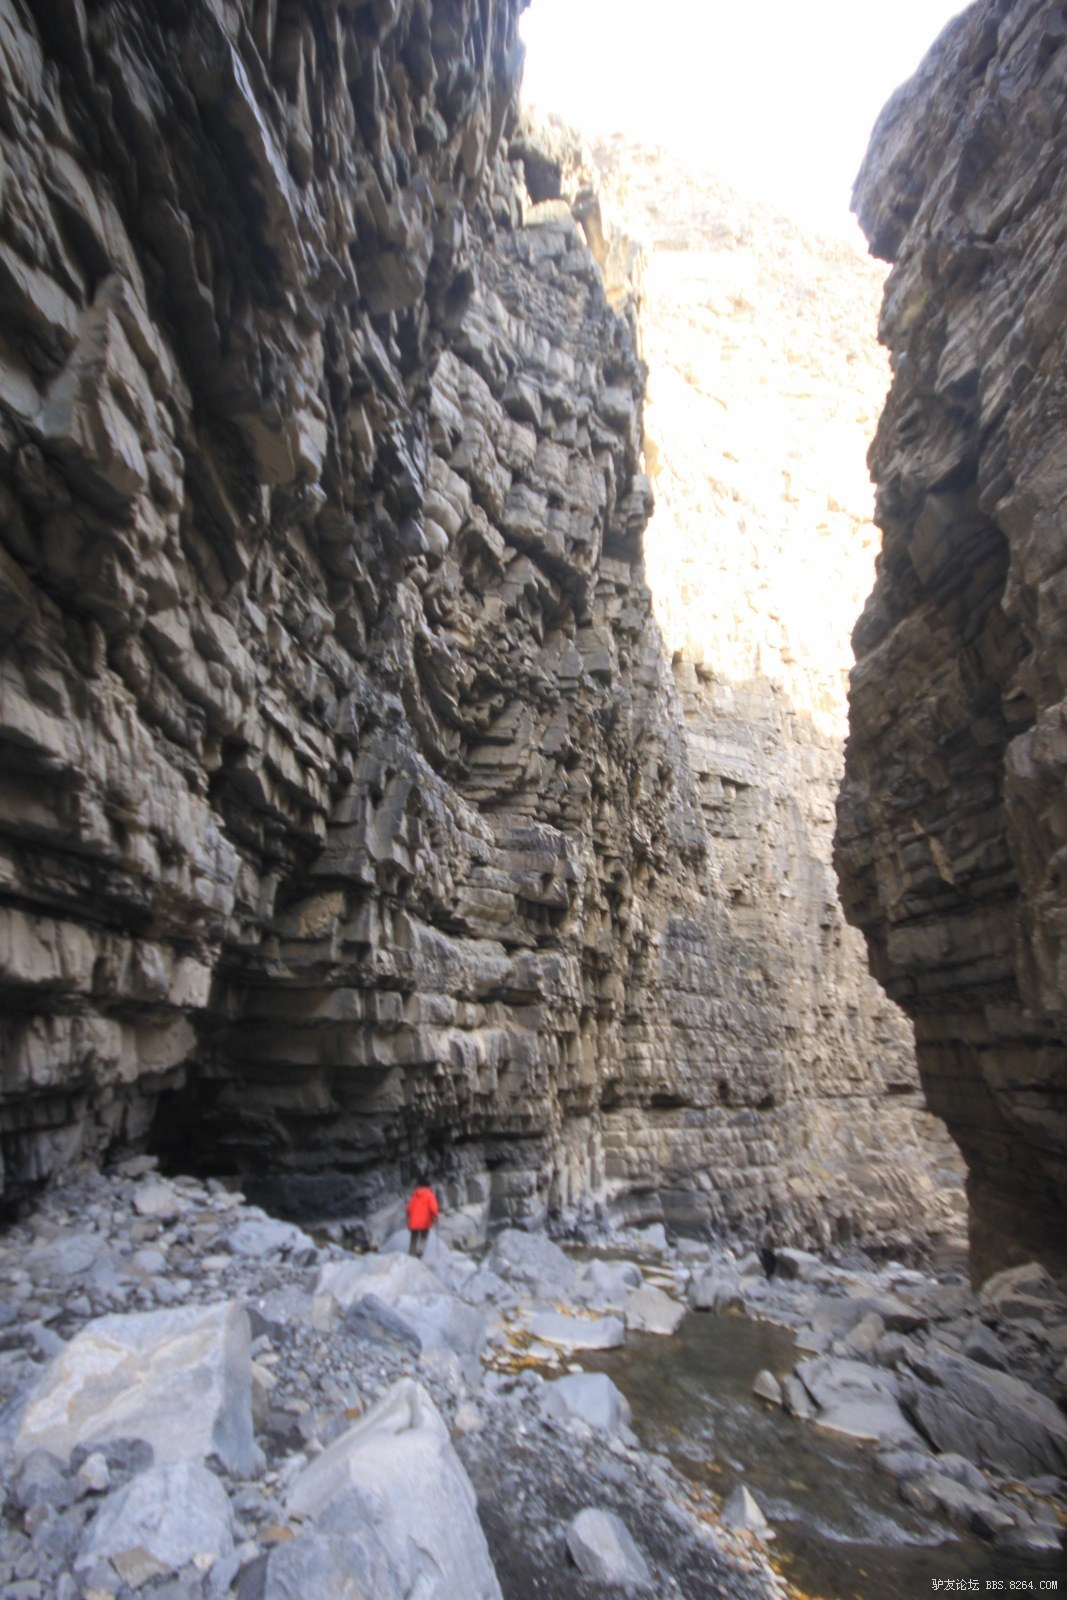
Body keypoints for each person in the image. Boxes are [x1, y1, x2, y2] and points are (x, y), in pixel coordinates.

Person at [406, 1178, 439, 1257]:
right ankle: (420, 1251)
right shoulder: (430, 1194)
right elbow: (433, 1208)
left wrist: (410, 1216)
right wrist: (436, 1216)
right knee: (424, 1236)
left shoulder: (415, 1195)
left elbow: (408, 1208)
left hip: (414, 1220)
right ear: (428, 1186)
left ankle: (411, 1254)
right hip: (425, 1220)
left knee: (414, 1237)